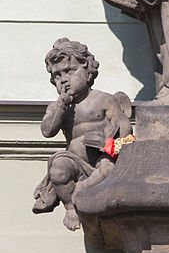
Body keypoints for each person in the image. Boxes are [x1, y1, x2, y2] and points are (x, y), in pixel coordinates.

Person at [32, 39, 132, 230]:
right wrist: (61, 107)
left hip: (101, 159)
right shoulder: (57, 107)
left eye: (70, 71)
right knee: (58, 168)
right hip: (73, 162)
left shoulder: (103, 99)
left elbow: (123, 124)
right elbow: (47, 131)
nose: (63, 78)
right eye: (57, 75)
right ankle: (71, 207)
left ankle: (79, 192)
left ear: (87, 72)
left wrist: (108, 143)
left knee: (109, 169)